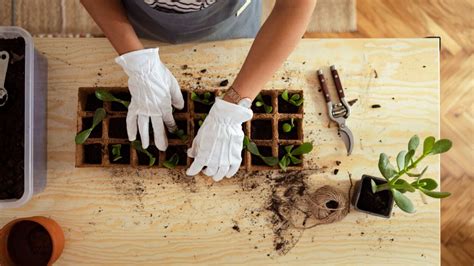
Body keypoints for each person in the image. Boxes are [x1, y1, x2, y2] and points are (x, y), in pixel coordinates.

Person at [81, 0, 317, 181]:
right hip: (134, 20)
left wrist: (234, 104)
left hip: (229, 24)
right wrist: (136, 60)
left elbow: (294, 5)